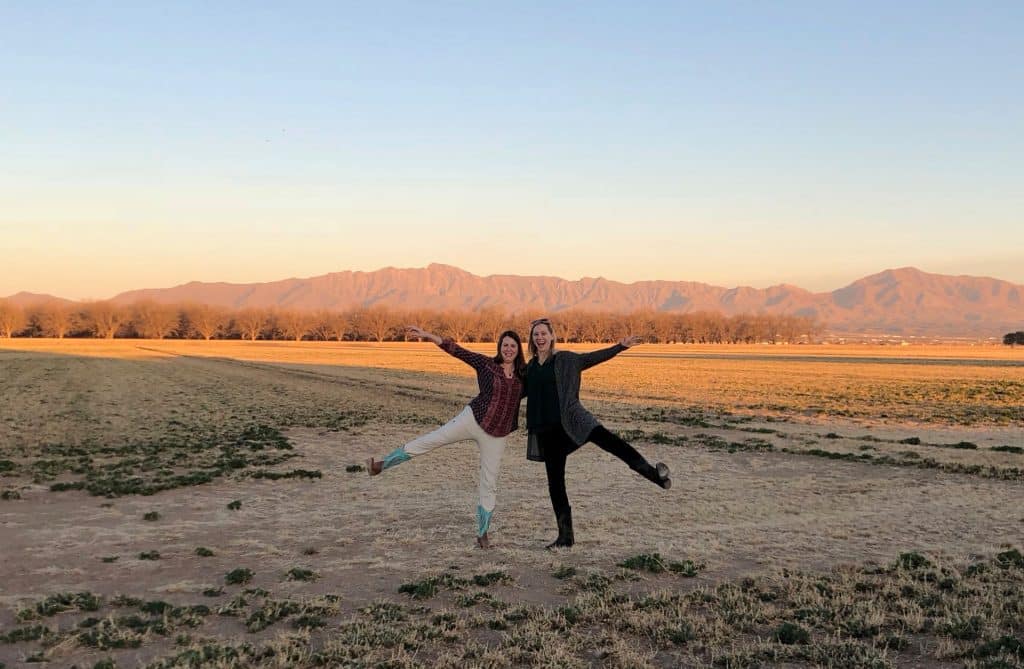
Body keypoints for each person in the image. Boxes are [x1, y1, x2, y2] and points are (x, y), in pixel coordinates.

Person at [366, 325, 526, 548]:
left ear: (519, 349)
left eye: (513, 346)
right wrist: (430, 337)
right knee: (434, 438)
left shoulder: (523, 376)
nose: (509, 349)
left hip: (498, 434)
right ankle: (382, 465)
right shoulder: (486, 365)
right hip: (472, 419)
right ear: (500, 348)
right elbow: (457, 350)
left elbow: (545, 379)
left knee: (489, 482)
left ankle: (483, 533)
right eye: (505, 345)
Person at [525, 317, 671, 549]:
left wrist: (620, 347)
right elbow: (517, 392)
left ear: (552, 336)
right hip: (547, 432)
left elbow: (592, 358)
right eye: (536, 335)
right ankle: (565, 537)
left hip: (574, 420)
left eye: (543, 334)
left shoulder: (566, 359)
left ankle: (655, 475)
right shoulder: (530, 368)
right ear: (532, 339)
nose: (540, 338)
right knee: (555, 484)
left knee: (613, 443)